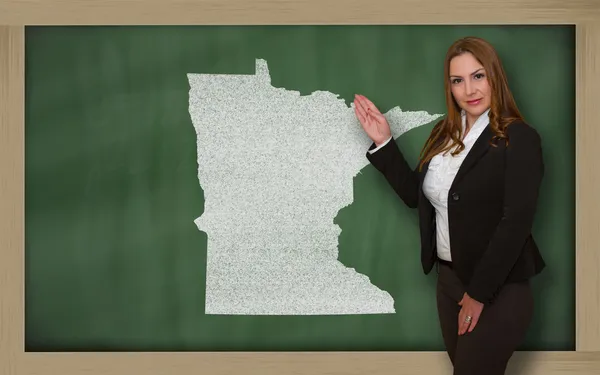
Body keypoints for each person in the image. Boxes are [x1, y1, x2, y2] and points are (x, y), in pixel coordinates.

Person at [353, 36, 546, 375]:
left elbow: (515, 222)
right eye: (458, 80)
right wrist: (383, 141)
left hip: (496, 288)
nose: (469, 89)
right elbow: (417, 196)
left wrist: (478, 294)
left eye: (478, 76)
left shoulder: (520, 138)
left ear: (494, 77)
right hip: (448, 283)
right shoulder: (444, 133)